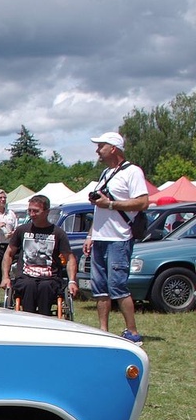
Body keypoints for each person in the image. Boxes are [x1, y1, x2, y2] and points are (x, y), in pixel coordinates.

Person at [83, 132, 148, 343]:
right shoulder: (105, 173)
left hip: (119, 239)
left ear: (113, 148)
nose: (97, 151)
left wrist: (110, 204)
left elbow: (142, 202)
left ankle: (133, 332)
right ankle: (103, 330)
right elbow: (100, 211)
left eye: (101, 146)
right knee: (100, 288)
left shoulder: (132, 172)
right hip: (101, 238)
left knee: (118, 286)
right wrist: (90, 235)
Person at [1, 193, 77, 315]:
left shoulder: (58, 233)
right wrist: (5, 277)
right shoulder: (22, 230)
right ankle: (28, 318)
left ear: (47, 212)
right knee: (29, 285)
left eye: (36, 211)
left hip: (50, 277)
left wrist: (72, 281)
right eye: (29, 210)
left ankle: (44, 318)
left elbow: (70, 258)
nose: (32, 214)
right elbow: (9, 253)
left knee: (45, 287)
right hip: (25, 276)